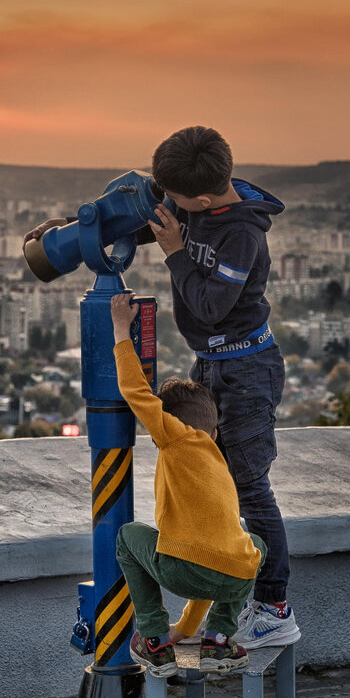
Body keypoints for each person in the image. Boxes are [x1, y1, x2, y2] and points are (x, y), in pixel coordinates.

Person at [146, 126, 299, 650]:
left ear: (206, 198)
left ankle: (275, 609)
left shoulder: (242, 234)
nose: (173, 207)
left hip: (249, 369)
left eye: (181, 201)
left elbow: (212, 305)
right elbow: (155, 210)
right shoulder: (197, 205)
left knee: (250, 489)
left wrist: (174, 253)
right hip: (212, 363)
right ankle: (208, 615)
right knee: (215, 490)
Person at [110, 292, 266, 678]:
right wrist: (188, 629)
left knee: (129, 536)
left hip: (183, 570)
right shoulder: (219, 463)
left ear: (171, 422)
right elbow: (210, 562)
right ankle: (219, 641)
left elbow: (136, 392)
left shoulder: (174, 436)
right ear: (213, 431)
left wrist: (119, 331)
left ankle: (153, 640)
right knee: (251, 545)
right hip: (236, 576)